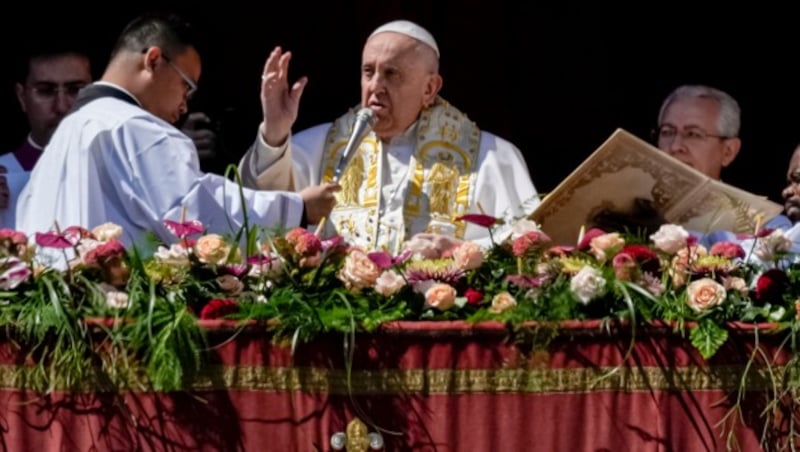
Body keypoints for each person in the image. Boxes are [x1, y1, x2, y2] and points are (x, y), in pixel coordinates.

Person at [16, 12, 339, 248]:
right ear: (154, 60)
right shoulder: (136, 128)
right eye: (186, 87)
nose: (185, 106)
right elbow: (191, 214)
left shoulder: (64, 136)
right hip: (117, 324)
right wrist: (296, 208)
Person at [239, 19, 539, 252]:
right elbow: (258, 208)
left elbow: (530, 243)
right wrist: (275, 134)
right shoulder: (320, 145)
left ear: (429, 88)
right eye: (368, 72)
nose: (375, 86)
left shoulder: (492, 157)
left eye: (392, 74)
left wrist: (460, 252)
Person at [0, 45, 92, 229]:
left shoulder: (118, 173)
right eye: (46, 91)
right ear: (22, 97)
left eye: (75, 90)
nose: (62, 107)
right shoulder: (4, 172)